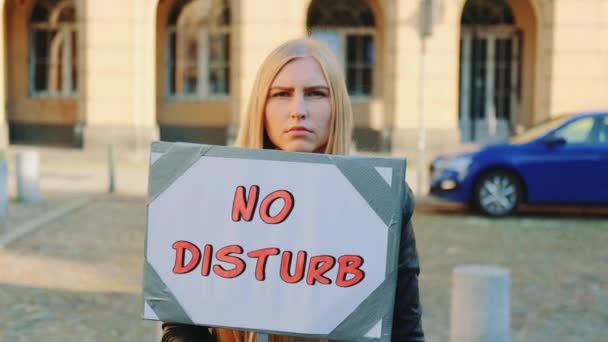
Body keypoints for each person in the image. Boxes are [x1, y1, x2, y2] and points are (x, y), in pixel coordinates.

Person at [161, 37, 424, 342]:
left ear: (337, 105)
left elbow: (406, 329)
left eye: (315, 94)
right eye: (282, 94)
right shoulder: (213, 190)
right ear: (261, 105)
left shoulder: (382, 200)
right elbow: (180, 327)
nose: (298, 110)